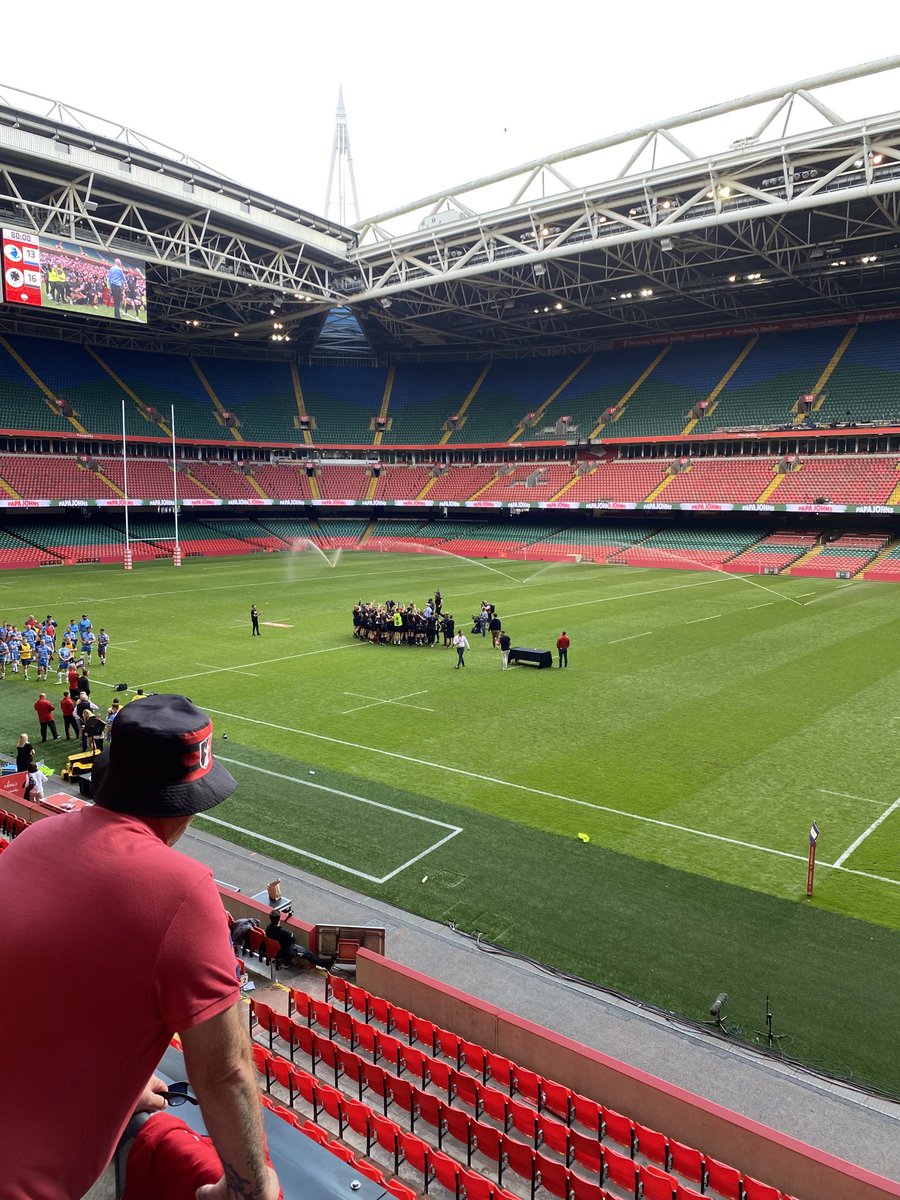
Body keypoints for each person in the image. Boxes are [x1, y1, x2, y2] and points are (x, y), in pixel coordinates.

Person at [0, 694, 280, 1200]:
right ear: (186, 804)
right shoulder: (183, 890)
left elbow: (48, 988)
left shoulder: (34, 840)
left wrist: (120, 1088)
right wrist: (250, 1189)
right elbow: (223, 1071)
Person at [265, 909, 335, 970]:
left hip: (277, 952)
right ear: (279, 919)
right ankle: (326, 965)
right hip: (286, 952)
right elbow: (292, 939)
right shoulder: (284, 932)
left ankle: (286, 962)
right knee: (308, 954)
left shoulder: (268, 928)